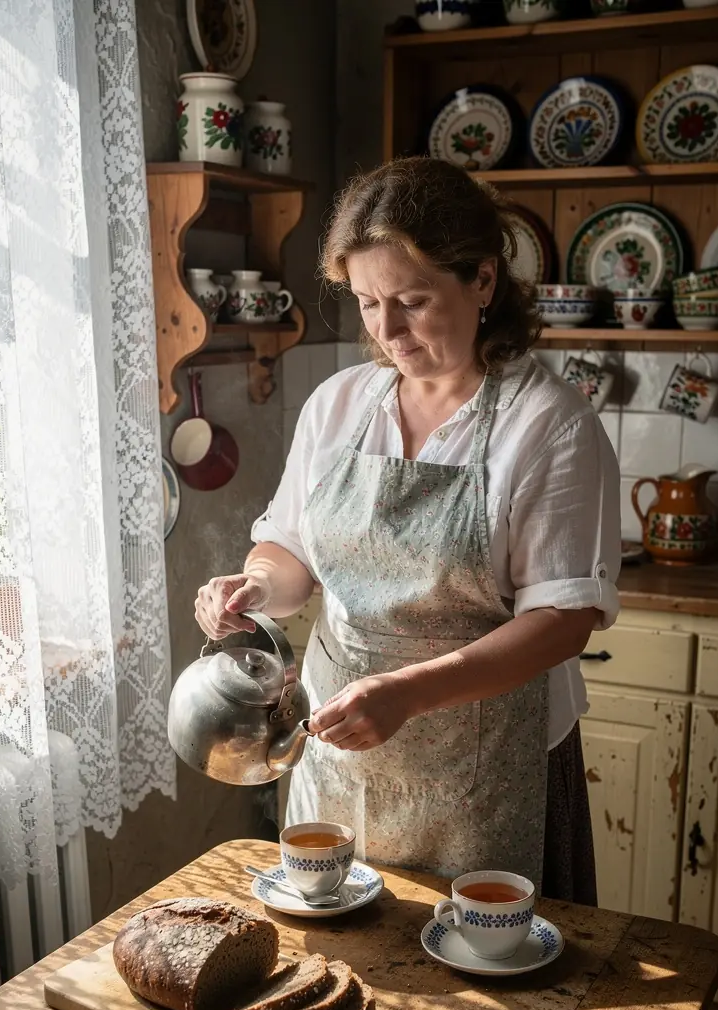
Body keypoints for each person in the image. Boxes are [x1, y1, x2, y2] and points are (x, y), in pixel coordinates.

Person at [194, 157, 620, 904]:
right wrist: (254, 586)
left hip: (490, 768)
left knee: (482, 961)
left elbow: (562, 622)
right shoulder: (339, 405)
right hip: (340, 753)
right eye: (366, 302)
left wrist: (406, 693)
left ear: (482, 280)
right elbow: (291, 552)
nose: (387, 330)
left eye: (413, 301)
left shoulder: (549, 424)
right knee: (337, 950)